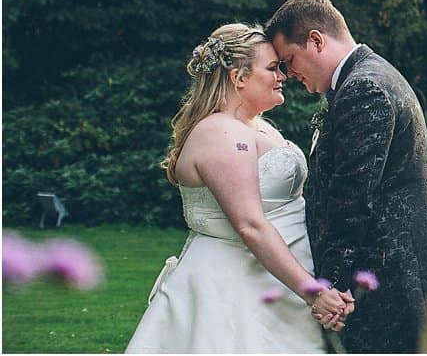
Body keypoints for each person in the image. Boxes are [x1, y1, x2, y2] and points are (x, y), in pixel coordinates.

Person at [127, 23, 352, 353]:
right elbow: (250, 225)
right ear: (239, 77)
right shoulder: (221, 133)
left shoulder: (257, 126)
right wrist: (313, 290)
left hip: (272, 278)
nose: (283, 76)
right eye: (273, 68)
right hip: (234, 286)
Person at [266, 0, 427, 353]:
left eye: (289, 61)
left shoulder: (364, 88)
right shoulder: (367, 78)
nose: (288, 75)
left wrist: (333, 282)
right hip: (392, 274)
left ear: (316, 40)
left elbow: (351, 196)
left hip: (390, 279)